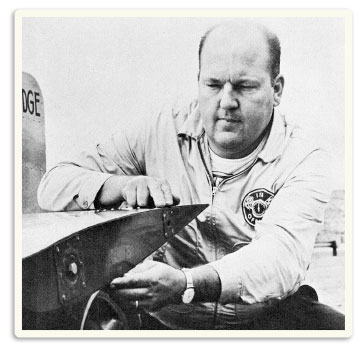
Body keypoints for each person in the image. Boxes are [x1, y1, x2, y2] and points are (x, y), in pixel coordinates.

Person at [37, 21, 345, 330]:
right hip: (166, 322)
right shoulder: (160, 129)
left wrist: (186, 284)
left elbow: (279, 259)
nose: (226, 102)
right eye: (213, 85)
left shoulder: (304, 156)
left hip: (264, 319)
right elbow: (53, 185)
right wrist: (121, 186)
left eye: (245, 86)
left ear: (276, 90)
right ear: (198, 82)